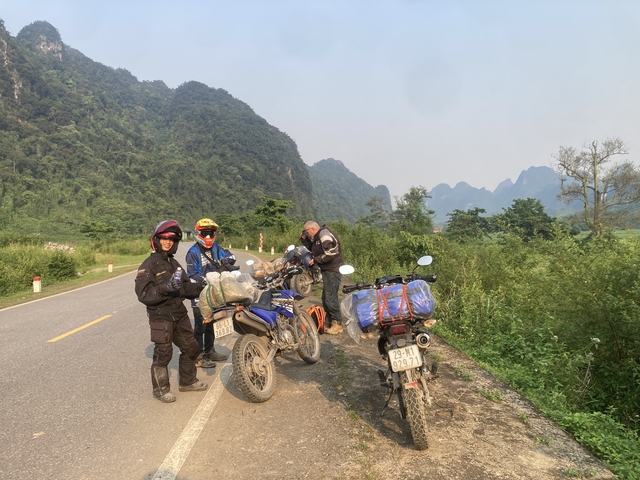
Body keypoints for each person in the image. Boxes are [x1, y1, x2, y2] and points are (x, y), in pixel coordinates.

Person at [135, 220, 208, 403]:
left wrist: (201, 286)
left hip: (179, 313)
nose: (168, 242)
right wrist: (165, 288)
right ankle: (160, 390)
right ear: (156, 240)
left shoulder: (174, 263)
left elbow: (185, 288)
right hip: (161, 316)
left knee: (191, 348)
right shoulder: (148, 265)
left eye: (171, 239)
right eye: (164, 238)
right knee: (163, 353)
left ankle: (187, 381)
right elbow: (143, 295)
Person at [185, 218, 236, 367]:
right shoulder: (192, 252)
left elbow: (231, 256)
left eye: (211, 233)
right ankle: (198, 356)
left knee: (213, 323)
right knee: (200, 326)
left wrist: (226, 262)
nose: (208, 237)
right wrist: (206, 280)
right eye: (205, 233)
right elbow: (191, 275)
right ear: (198, 233)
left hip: (215, 293)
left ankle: (210, 351)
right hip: (200, 294)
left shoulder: (217, 248)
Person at [300, 221, 344, 334]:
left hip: (333, 269)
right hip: (327, 269)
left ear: (312, 229)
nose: (307, 233)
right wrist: (304, 239)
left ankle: (337, 324)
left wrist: (316, 260)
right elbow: (313, 249)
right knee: (325, 298)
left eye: (307, 231)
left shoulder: (324, 235)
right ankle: (330, 321)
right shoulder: (318, 237)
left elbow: (331, 253)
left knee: (330, 298)